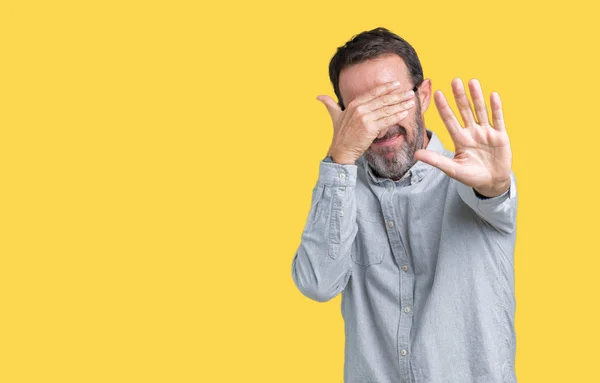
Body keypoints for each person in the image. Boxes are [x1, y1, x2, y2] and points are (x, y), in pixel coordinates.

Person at [291, 27, 518, 383]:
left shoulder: (473, 178)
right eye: (362, 111)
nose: (379, 124)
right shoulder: (341, 193)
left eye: (392, 101)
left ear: (423, 95)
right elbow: (317, 284)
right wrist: (341, 158)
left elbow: (494, 195)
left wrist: (496, 186)